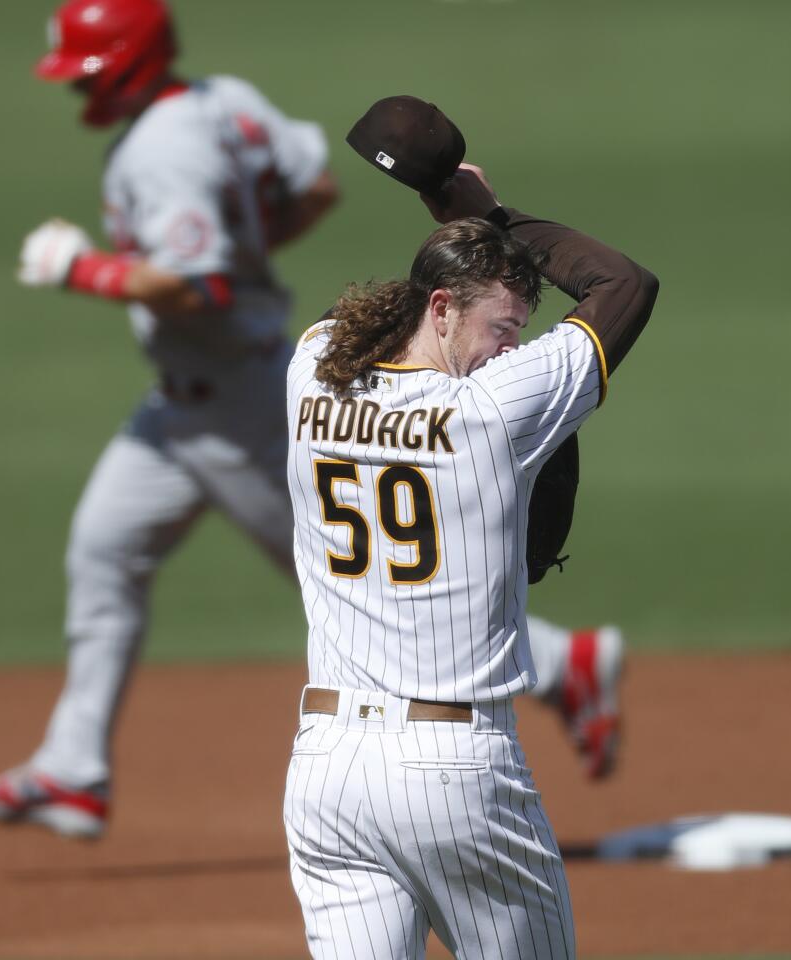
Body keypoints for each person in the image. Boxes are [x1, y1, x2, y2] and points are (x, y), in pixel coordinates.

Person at [0, 1, 620, 843]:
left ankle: (563, 664)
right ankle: (74, 767)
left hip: (237, 403)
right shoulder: (222, 100)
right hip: (178, 405)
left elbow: (197, 288)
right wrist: (244, 246)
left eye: (90, 72)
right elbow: (317, 187)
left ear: (127, 62)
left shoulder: (163, 151)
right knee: (105, 551)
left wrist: (85, 269)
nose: (81, 91)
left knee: (348, 569)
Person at [281, 101, 658, 958]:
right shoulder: (493, 410)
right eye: (501, 328)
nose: (507, 349)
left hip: (327, 775)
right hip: (456, 772)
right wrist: (484, 212)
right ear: (443, 309)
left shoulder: (313, 371)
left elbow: (376, 316)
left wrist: (451, 219)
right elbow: (622, 285)